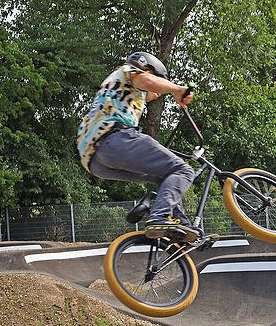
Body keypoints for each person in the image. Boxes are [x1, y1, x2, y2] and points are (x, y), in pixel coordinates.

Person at [77, 51, 200, 242]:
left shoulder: (117, 89)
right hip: (115, 138)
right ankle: (159, 217)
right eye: (157, 79)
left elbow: (148, 89)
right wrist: (177, 89)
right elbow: (146, 81)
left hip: (94, 160)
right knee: (183, 170)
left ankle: (182, 226)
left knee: (165, 176)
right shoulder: (128, 71)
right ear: (147, 68)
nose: (157, 93)